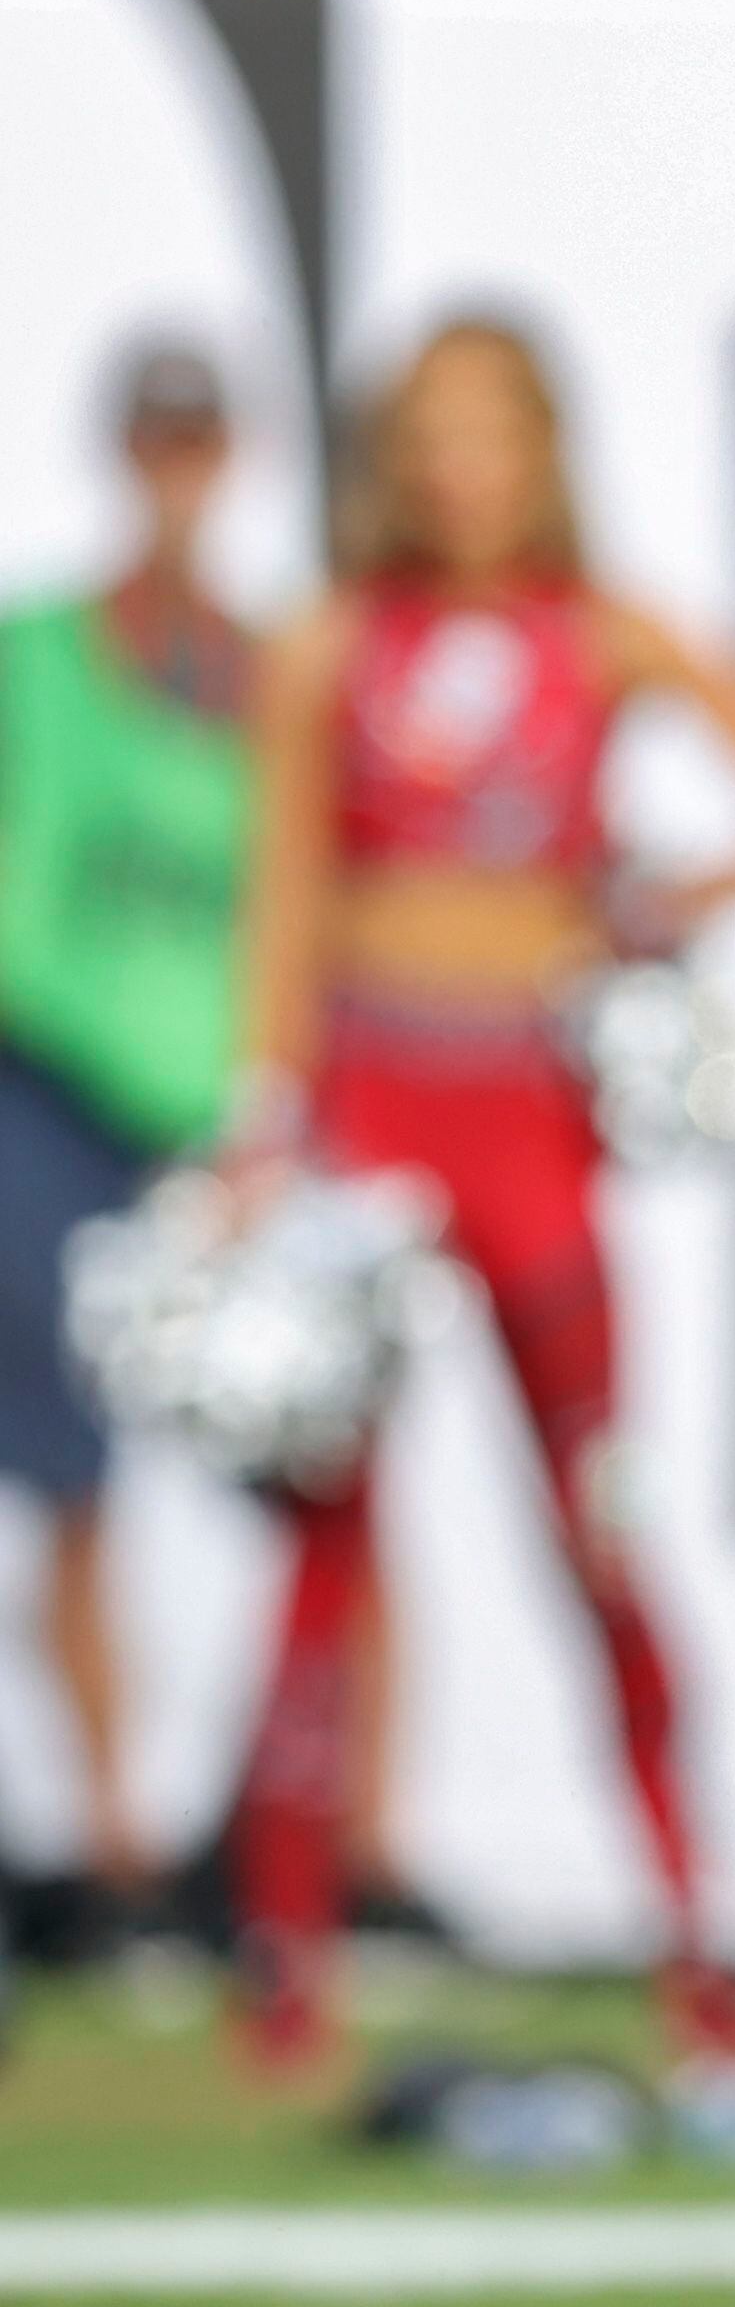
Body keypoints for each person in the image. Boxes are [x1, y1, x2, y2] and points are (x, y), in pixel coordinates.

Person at [234, 318, 735, 2065]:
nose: (456, 471)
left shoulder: (598, 628)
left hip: (529, 1120)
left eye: (487, 435)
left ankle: (696, 1938)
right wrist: (263, 1121)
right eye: (427, 437)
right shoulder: (329, 645)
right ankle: (286, 1958)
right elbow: (289, 900)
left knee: (601, 1529)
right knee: (326, 1550)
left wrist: (655, 902)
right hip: (371, 1107)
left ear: (541, 449)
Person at [0, 343, 258, 1953]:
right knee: (77, 1476)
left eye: (196, 441)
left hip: (219, 1122)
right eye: (155, 441)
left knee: (315, 1490)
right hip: (46, 1088)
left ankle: (308, 1850)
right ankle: (112, 1846)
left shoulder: (260, 668)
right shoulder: (43, 653)